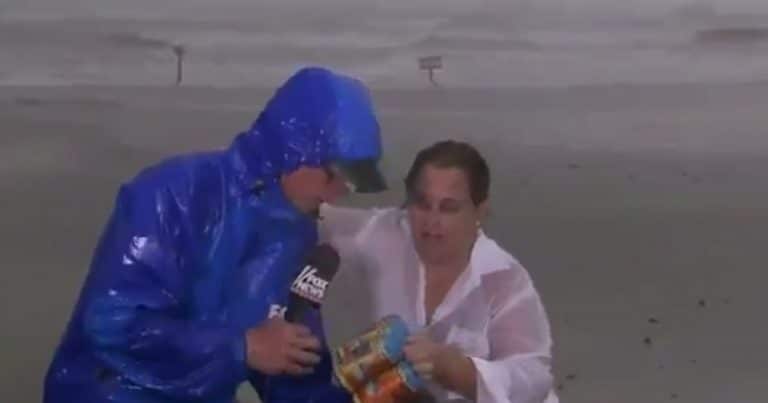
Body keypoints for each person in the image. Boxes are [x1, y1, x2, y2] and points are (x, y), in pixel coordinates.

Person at [43, 66, 388, 403]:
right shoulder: (171, 195)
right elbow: (114, 323)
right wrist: (243, 348)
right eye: (334, 176)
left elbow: (288, 358)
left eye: (351, 183)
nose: (339, 193)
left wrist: (364, 390)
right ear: (292, 151)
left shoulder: (298, 236)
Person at [319, 140, 559, 403]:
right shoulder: (385, 233)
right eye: (422, 204)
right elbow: (311, 219)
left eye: (449, 208)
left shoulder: (504, 279)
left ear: (479, 211)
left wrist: (454, 368)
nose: (432, 221)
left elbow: (532, 378)